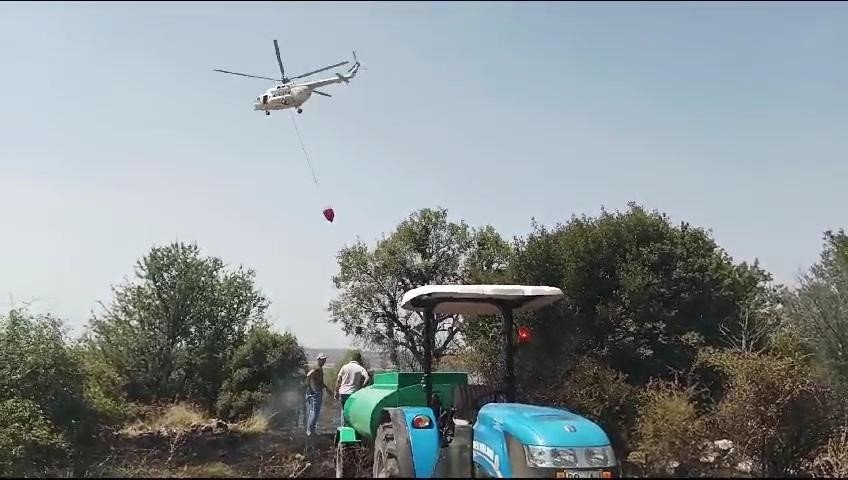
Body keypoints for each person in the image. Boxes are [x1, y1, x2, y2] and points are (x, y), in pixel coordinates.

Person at [334, 352, 370, 426]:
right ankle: (351, 428)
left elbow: (338, 380)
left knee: (344, 411)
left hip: (343, 392)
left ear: (352, 359)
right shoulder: (360, 368)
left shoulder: (344, 367)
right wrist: (362, 387)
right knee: (352, 412)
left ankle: (343, 428)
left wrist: (336, 392)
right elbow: (367, 378)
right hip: (353, 393)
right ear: (359, 359)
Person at [304, 353, 333, 436]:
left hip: (313, 391)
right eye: (323, 359)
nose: (324, 361)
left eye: (325, 359)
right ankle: (310, 431)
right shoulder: (317, 368)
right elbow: (308, 375)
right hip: (315, 392)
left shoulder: (318, 367)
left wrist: (326, 388)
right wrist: (310, 388)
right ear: (319, 359)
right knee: (314, 412)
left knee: (312, 411)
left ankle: (310, 430)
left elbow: (320, 381)